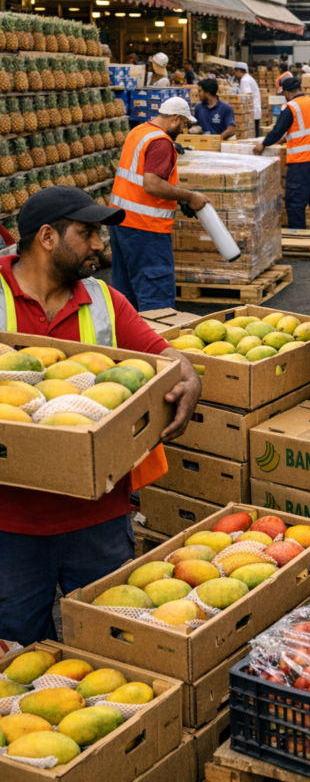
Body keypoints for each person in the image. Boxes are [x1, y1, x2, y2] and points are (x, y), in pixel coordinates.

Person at [0, 187, 203, 644]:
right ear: (47, 237)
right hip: (9, 523)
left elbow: (167, 358)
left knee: (113, 644)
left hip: (98, 517)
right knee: (15, 653)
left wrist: (190, 378)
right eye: (88, 232)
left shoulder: (105, 300)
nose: (100, 244)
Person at [109, 97, 208, 311]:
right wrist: (189, 196)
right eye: (185, 124)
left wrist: (179, 197)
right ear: (175, 119)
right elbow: (152, 185)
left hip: (120, 222)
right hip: (146, 229)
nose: (184, 129)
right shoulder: (161, 142)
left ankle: (131, 342)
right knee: (156, 296)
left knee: (126, 294)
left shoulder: (139, 131)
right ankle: (157, 340)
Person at [253, 76, 310, 230]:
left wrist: (263, 144)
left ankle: (298, 235)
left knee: (295, 202)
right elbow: (309, 128)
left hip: (303, 161)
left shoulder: (291, 107)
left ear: (286, 92)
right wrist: (288, 138)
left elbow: (278, 130)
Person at [233, 61, 262, 137]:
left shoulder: (244, 80)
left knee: (252, 137)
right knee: (255, 135)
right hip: (255, 111)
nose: (235, 75)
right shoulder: (249, 78)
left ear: (238, 70)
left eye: (235, 72)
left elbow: (247, 97)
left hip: (251, 112)